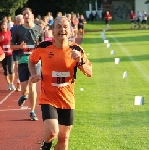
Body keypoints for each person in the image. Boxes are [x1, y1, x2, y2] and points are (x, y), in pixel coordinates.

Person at [28, 16, 92, 150]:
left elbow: (89, 72)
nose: (62, 30)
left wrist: (80, 61)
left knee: (64, 140)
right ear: (52, 30)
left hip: (67, 100)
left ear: (70, 31)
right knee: (52, 132)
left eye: (65, 27)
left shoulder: (76, 50)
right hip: (48, 99)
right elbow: (32, 60)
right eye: (58, 27)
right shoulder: (44, 47)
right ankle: (45, 146)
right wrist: (33, 74)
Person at [11, 7, 44, 121]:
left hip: (35, 61)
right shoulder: (17, 30)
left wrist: (40, 49)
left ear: (32, 16)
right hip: (23, 60)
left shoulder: (39, 29)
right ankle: (24, 95)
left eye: (28, 14)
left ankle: (32, 111)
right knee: (24, 89)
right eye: (24, 14)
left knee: (33, 85)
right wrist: (20, 46)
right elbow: (12, 46)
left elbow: (42, 44)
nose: (26, 16)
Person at [0, 20, 16, 90]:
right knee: (5, 70)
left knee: (10, 69)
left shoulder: (10, 33)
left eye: (4, 25)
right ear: (0, 26)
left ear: (7, 26)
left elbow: (14, 42)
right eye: (2, 25)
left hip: (10, 53)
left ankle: (12, 83)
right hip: (2, 54)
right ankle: (8, 83)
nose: (3, 26)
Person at [10, 14, 24, 91]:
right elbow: (11, 42)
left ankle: (24, 82)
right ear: (16, 22)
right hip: (16, 50)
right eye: (18, 21)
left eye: (20, 21)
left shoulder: (27, 28)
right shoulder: (13, 29)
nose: (19, 23)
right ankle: (18, 82)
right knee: (17, 66)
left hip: (25, 51)